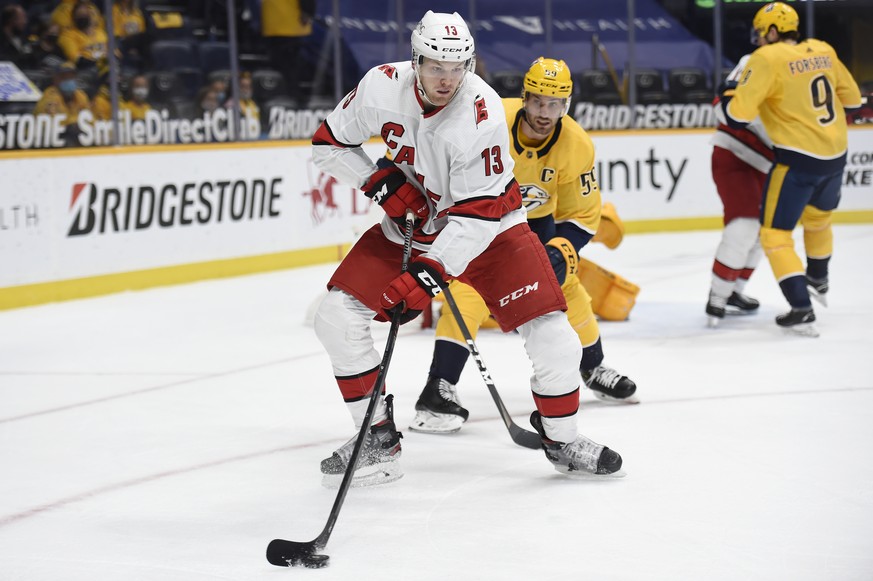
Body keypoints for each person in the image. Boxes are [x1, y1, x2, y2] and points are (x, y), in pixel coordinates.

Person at [310, 11, 623, 487]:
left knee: (555, 334)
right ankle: (375, 438)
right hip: (413, 224)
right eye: (436, 66)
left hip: (492, 231)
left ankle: (562, 439)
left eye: (459, 67)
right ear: (416, 60)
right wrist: (376, 181)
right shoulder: (380, 86)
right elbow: (327, 144)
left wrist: (425, 276)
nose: (448, 79)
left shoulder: (481, 111)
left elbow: (476, 218)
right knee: (335, 315)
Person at [410, 57, 638, 436]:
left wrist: (561, 252)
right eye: (537, 102)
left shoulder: (577, 145)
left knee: (567, 289)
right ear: (524, 98)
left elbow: (582, 215)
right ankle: (438, 387)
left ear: (566, 106)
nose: (544, 112)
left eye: (554, 104)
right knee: (468, 294)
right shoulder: (491, 117)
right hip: (484, 220)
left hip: (536, 225)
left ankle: (593, 366)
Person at [722, 1, 862, 336]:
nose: (758, 40)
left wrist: (729, 93)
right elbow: (854, 100)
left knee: (775, 235)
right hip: (836, 155)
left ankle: (801, 306)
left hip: (797, 160)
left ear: (771, 31)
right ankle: (818, 277)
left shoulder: (767, 58)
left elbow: (737, 116)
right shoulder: (823, 49)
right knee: (818, 220)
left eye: (760, 33)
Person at [705, 42, 775, 327]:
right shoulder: (754, 61)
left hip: (768, 163)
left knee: (764, 233)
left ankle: (734, 292)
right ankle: (717, 298)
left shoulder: (799, 69)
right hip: (735, 153)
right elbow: (724, 107)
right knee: (743, 227)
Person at [261, 0, 314, 107]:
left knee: (279, 65)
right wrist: (308, 11)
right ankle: (292, 99)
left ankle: (281, 97)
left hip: (272, 23)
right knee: (291, 67)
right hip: (292, 24)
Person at [33, 61, 91, 145]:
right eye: (64, 77)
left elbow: (90, 121)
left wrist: (77, 124)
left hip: (66, 138)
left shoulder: (80, 96)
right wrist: (75, 123)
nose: (69, 81)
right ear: (55, 79)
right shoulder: (51, 97)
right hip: (41, 143)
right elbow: (58, 126)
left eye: (71, 77)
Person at [58, 1, 108, 70]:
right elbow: (77, 60)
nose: (82, 17)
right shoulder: (67, 35)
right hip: (85, 70)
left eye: (84, 14)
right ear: (74, 18)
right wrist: (100, 64)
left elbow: (114, 53)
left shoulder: (101, 33)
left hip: (106, 68)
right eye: (79, 15)